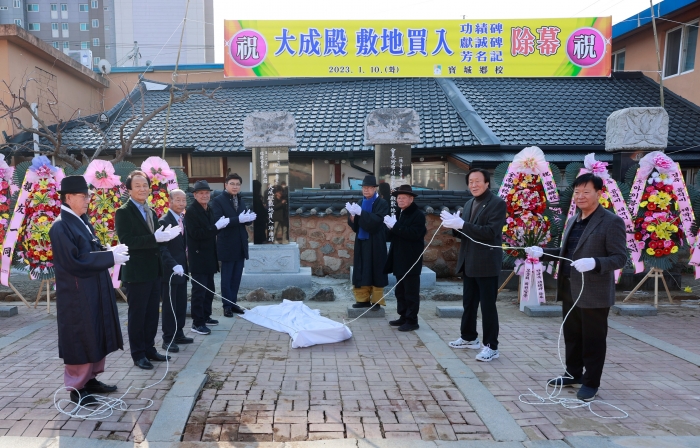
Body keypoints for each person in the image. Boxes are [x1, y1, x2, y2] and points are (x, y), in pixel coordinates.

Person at [527, 173, 627, 402]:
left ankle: (591, 382)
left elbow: (620, 258)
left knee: (593, 339)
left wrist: (595, 263)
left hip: (594, 291)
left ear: (599, 194)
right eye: (577, 192)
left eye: (586, 192)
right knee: (572, 335)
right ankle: (573, 373)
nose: (580, 197)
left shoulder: (611, 221)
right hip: (569, 286)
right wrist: (543, 254)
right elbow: (567, 255)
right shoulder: (573, 220)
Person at [49, 176, 129, 406]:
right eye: (83, 196)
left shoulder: (80, 219)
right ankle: (77, 387)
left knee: (95, 331)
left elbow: (91, 247)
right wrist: (109, 257)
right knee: (80, 335)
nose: (87, 200)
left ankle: (91, 379)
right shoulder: (60, 226)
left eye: (88, 196)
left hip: (92, 287)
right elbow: (75, 262)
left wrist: (109, 250)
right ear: (68, 197)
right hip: (76, 293)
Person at [116, 170, 180, 370]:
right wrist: (154, 239)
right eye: (137, 186)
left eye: (145, 185)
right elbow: (127, 241)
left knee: (152, 314)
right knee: (138, 315)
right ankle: (138, 354)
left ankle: (150, 348)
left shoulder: (150, 211)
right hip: (136, 272)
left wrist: (165, 237)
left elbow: (156, 241)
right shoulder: (123, 212)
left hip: (154, 271)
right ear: (129, 189)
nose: (142, 189)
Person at [441, 168, 506, 362]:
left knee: (487, 307)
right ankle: (469, 337)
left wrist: (462, 225)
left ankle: (491, 346)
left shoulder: (497, 203)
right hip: (468, 261)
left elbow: (489, 232)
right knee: (468, 303)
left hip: (486, 262)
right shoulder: (469, 203)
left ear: (487, 183)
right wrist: (454, 227)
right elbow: (466, 233)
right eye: (470, 182)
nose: (474, 185)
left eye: (478, 181)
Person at [187, 180, 230, 335]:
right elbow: (196, 233)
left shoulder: (209, 209)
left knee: (209, 289)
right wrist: (216, 227)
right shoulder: (191, 211)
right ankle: (197, 323)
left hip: (210, 254)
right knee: (199, 290)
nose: (205, 196)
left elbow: (211, 231)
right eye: (201, 193)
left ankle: (206, 316)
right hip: (198, 256)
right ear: (195, 195)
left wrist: (219, 226)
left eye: (207, 193)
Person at [383, 185, 426, 332]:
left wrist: (396, 226)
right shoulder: (401, 213)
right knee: (400, 291)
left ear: (411, 199)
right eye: (398, 198)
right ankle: (403, 316)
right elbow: (393, 235)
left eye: (403, 197)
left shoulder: (418, 215)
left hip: (411, 258)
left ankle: (412, 320)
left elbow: (415, 234)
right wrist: (389, 227)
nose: (400, 200)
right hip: (399, 257)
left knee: (411, 292)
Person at [210, 173, 253, 318]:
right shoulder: (218, 201)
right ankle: (226, 305)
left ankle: (234, 304)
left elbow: (242, 219)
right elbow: (219, 221)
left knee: (236, 277)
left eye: (238, 184)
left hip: (241, 243)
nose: (235, 187)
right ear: (226, 185)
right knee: (227, 277)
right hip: (227, 243)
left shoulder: (240, 199)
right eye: (232, 184)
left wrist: (249, 219)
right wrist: (239, 219)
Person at [346, 175, 389, 309]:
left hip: (376, 241)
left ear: (375, 189)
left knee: (376, 269)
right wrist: (352, 216)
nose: (366, 190)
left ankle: (376, 301)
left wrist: (361, 214)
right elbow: (355, 226)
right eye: (364, 188)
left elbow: (376, 222)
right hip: (362, 241)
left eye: (369, 188)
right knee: (361, 268)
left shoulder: (382, 203)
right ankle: (362, 299)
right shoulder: (359, 202)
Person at [158, 189, 194, 353]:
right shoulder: (164, 221)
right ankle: (168, 338)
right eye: (177, 200)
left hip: (182, 269)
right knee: (169, 306)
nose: (181, 203)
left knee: (180, 304)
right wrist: (173, 264)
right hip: (170, 271)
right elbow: (162, 249)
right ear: (170, 201)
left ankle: (179, 333)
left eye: (183, 200)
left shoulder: (183, 219)